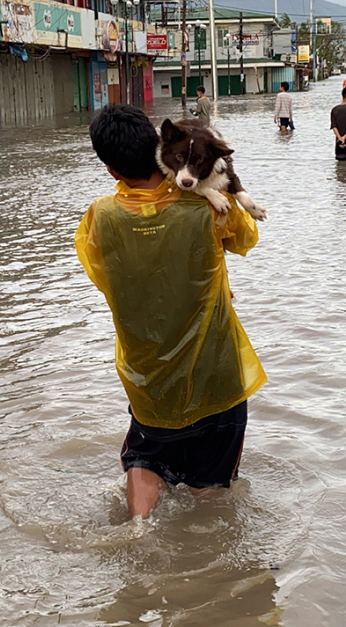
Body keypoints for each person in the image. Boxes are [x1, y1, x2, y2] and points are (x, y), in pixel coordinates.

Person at [76, 105, 267, 520]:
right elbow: (248, 238)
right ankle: (209, 558)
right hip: (217, 373)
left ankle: (139, 527)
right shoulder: (208, 209)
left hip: (149, 377)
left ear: (110, 169)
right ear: (156, 149)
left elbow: (105, 278)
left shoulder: (100, 217)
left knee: (145, 458)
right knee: (211, 486)